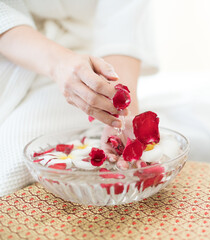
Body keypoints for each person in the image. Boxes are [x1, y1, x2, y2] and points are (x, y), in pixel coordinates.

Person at [0, 0, 157, 196]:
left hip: (90, 58)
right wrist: (60, 64)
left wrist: (124, 113)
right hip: (14, 52)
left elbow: (122, 24)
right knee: (10, 162)